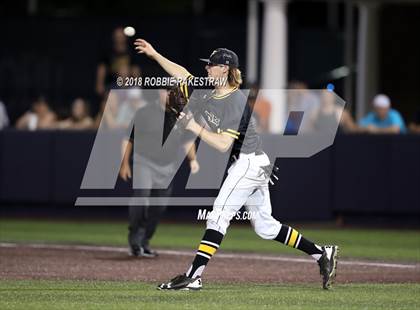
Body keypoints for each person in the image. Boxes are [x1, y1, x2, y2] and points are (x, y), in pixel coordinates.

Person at [134, 39, 339, 290]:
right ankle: (321, 253)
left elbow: (221, 144)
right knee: (265, 226)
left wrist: (193, 126)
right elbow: (183, 74)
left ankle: (194, 276)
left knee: (218, 216)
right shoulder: (209, 89)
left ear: (224, 69)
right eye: (207, 65)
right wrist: (155, 54)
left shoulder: (234, 102)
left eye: (211, 65)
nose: (207, 68)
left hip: (249, 163)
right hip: (251, 162)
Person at [119, 88, 200, 257]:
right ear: (159, 92)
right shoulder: (144, 112)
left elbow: (187, 141)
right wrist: (124, 163)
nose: (170, 95)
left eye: (173, 92)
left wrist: (193, 160)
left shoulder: (181, 115)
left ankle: (144, 241)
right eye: (167, 91)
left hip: (167, 167)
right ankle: (135, 239)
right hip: (144, 162)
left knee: (159, 206)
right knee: (141, 197)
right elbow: (128, 138)